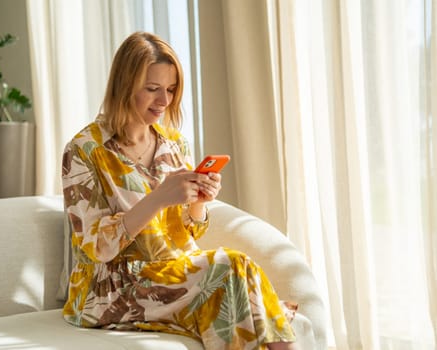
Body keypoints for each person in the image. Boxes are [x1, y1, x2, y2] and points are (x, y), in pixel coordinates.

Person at [61, 31, 299, 350]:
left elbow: (190, 229)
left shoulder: (174, 144)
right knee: (229, 267)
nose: (164, 101)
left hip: (172, 269)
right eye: (152, 89)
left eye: (171, 90)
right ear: (124, 86)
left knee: (237, 268)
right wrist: (159, 198)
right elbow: (97, 248)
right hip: (112, 286)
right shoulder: (84, 150)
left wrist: (199, 203)